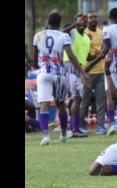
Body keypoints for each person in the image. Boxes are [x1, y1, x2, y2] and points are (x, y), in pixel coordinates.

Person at [33, 12, 91, 145]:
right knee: (60, 104)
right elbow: (71, 56)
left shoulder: (38, 35)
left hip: (43, 73)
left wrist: (40, 65)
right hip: (59, 74)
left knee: (44, 104)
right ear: (59, 23)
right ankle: (64, 133)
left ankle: (46, 136)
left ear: (48, 22)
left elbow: (35, 56)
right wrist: (83, 73)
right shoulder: (64, 36)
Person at [87, 8, 117, 135]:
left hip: (113, 65)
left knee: (111, 93)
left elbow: (106, 48)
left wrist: (96, 59)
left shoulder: (107, 29)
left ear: (110, 17)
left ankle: (111, 123)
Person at [62, 14, 93, 137]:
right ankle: (74, 129)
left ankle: (74, 127)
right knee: (75, 99)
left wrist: (100, 55)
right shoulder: (71, 33)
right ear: (75, 22)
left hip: (80, 69)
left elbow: (87, 56)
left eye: (85, 22)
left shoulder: (86, 37)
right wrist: (75, 24)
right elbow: (62, 32)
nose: (83, 23)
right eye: (80, 21)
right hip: (69, 67)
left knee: (77, 99)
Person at [78, 11, 106, 134]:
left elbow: (104, 50)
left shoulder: (101, 32)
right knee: (85, 100)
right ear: (87, 20)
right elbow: (84, 54)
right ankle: (80, 124)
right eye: (90, 17)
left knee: (101, 99)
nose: (93, 19)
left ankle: (101, 126)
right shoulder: (83, 33)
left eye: (95, 17)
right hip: (87, 72)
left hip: (100, 71)